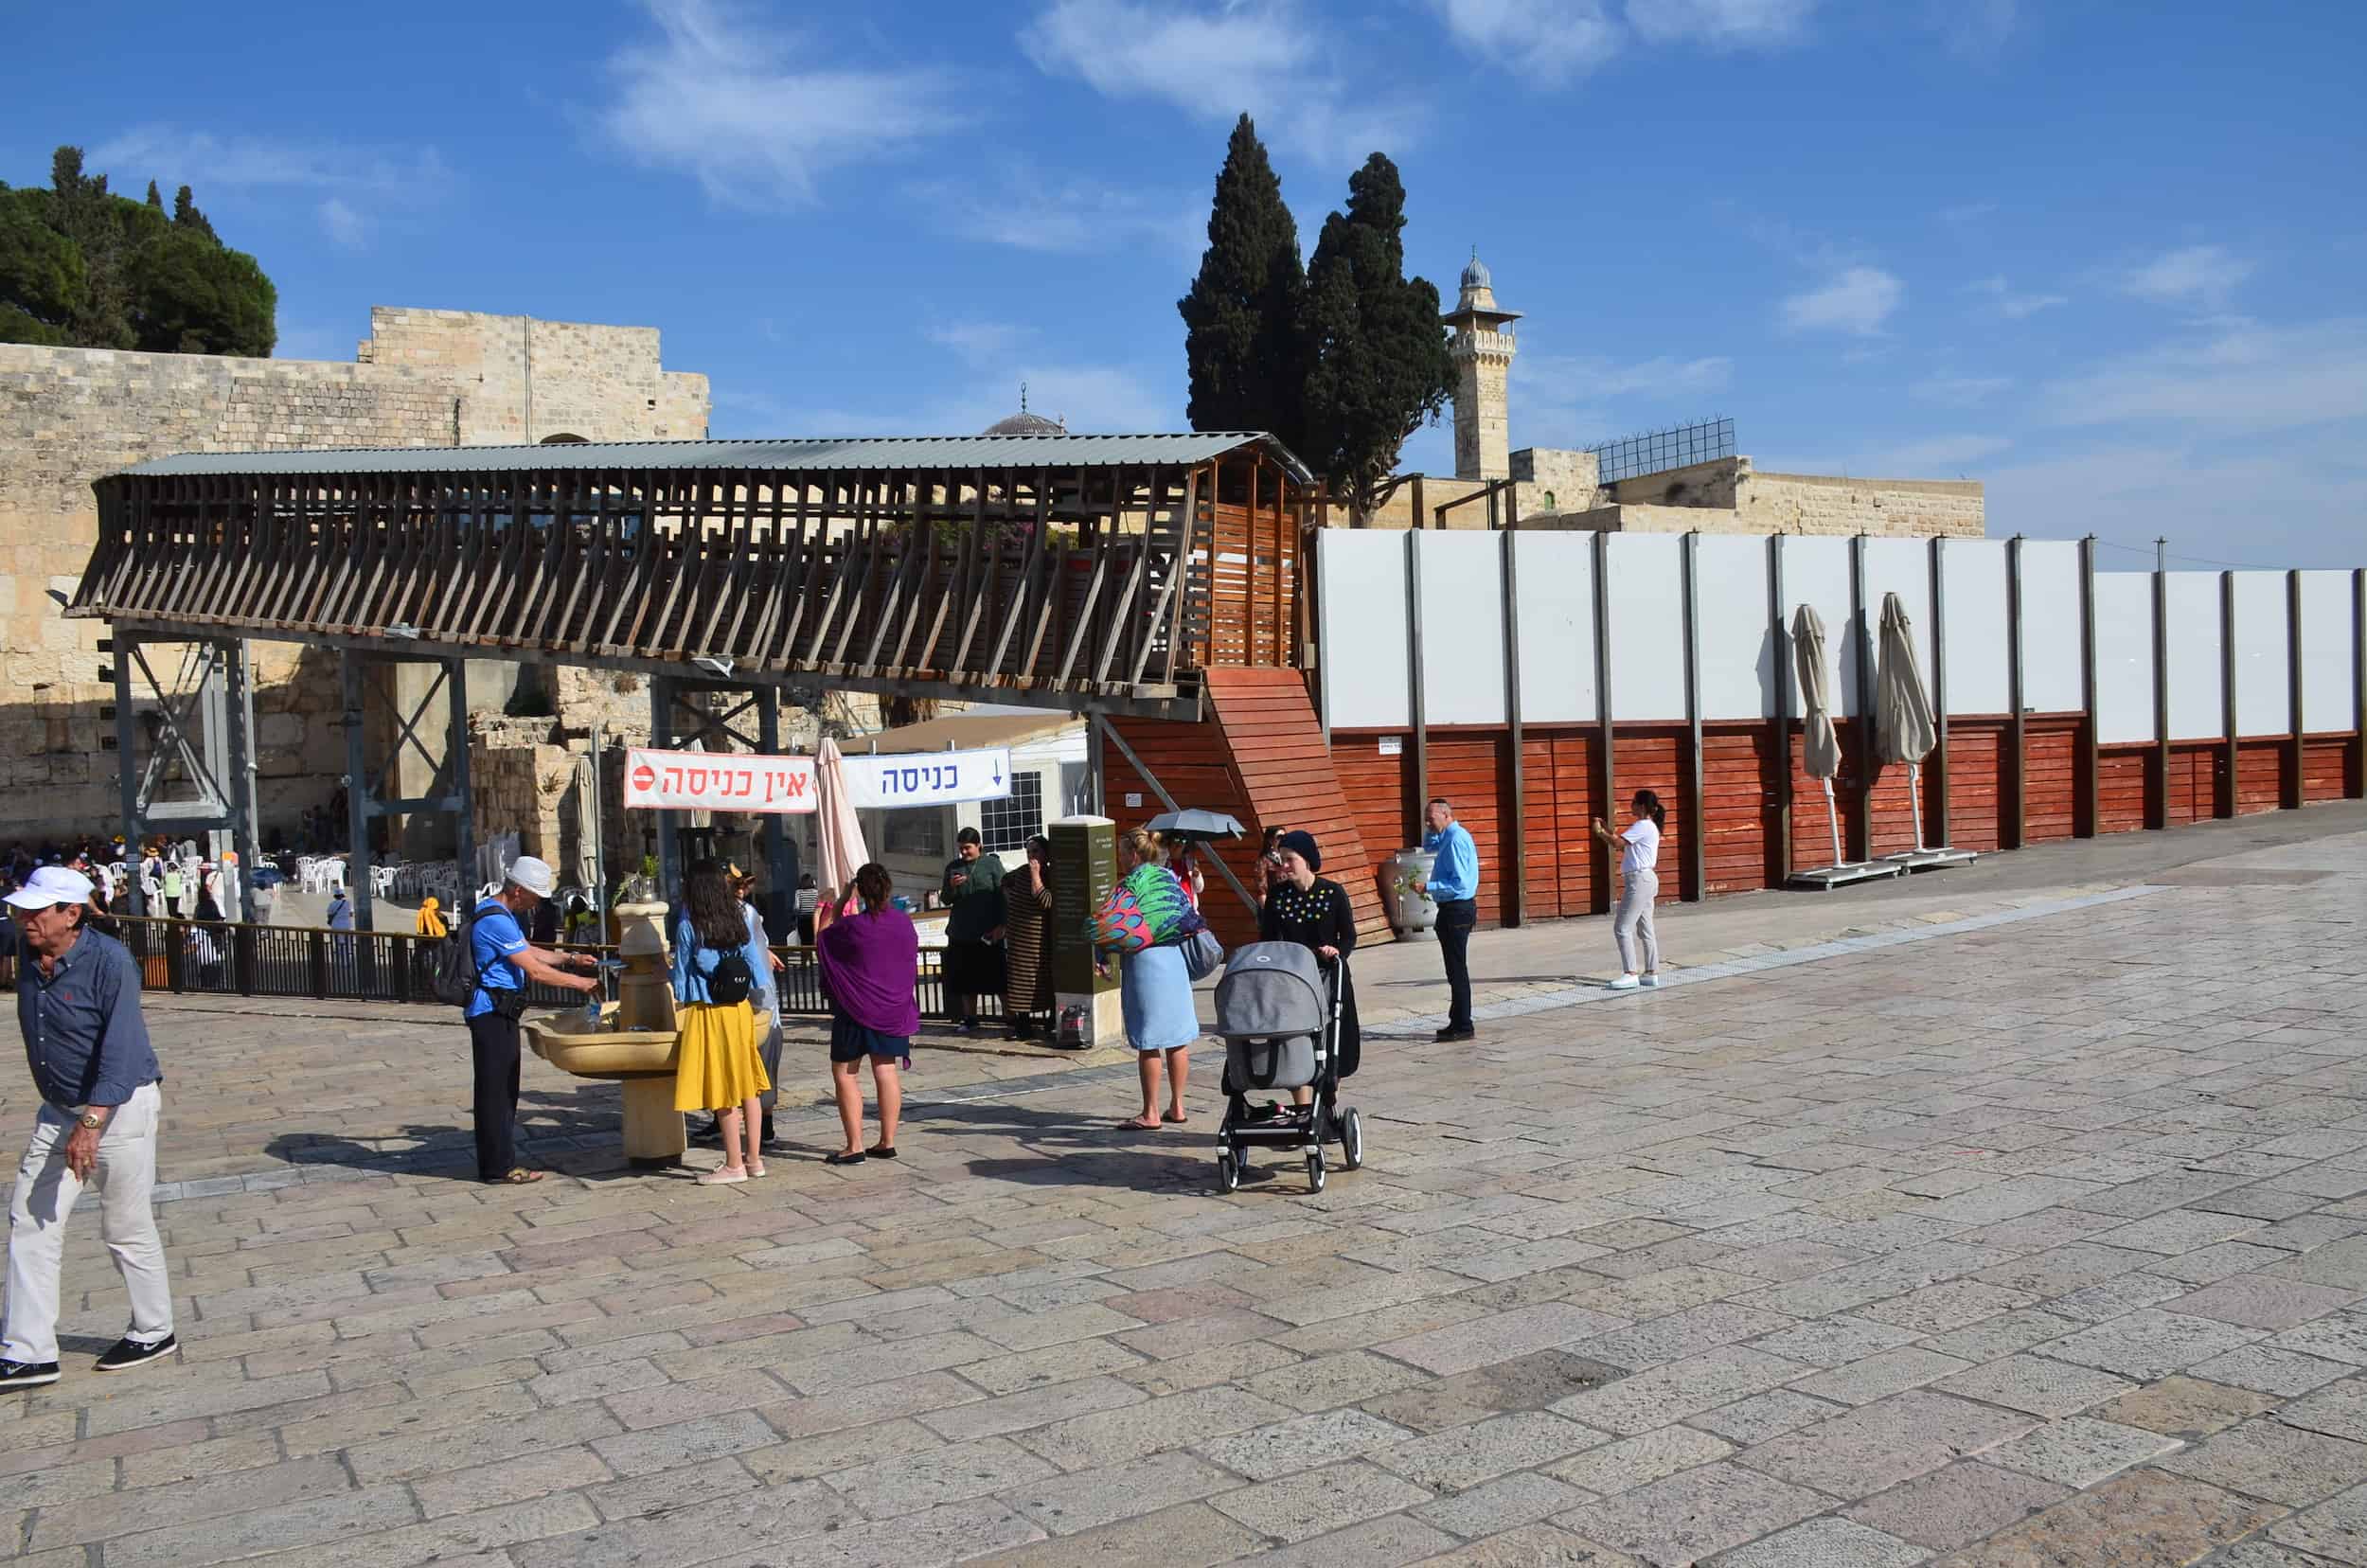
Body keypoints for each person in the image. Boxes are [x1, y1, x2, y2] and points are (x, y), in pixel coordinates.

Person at [1, 866, 175, 1386]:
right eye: (21, 910)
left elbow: (119, 1056)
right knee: (30, 1217)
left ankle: (154, 1329)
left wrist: (91, 1125)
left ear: (71, 914)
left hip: (119, 1109)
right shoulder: (32, 954)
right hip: (58, 1110)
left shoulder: (110, 963)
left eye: (37, 910)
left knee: (123, 1224)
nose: (24, 918)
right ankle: (29, 1350)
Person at [464, 857, 599, 1185]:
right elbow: (534, 969)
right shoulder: (496, 920)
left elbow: (528, 950)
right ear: (517, 890)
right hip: (491, 1014)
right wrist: (581, 984)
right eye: (534, 895)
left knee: (504, 1089)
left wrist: (570, 958)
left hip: (501, 1012)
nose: (537, 902)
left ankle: (499, 1161)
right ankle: (498, 1168)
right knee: (496, 1094)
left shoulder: (500, 914)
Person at [670, 860, 774, 1185]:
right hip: (740, 1008)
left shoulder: (689, 924)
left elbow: (683, 977)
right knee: (747, 1085)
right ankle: (754, 1160)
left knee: (723, 1086)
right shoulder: (737, 916)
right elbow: (756, 966)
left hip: (710, 1011)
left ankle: (733, 1165)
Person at [814, 862, 916, 1164]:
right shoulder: (903, 923)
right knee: (885, 1070)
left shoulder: (851, 927)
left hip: (854, 1009)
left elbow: (822, 935)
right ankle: (887, 1140)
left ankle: (854, 1145)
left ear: (860, 889)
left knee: (845, 1073)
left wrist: (842, 899)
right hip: (892, 1009)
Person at [1255, 830, 1361, 1118]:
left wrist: (1336, 950)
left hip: (1329, 976)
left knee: (1331, 1040)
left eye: (1290, 860)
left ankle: (1327, 1105)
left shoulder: (1333, 893)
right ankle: (1304, 1110)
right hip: (1293, 980)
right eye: (1282, 860)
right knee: (1296, 1041)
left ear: (1307, 860)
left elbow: (1349, 937)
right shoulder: (1278, 896)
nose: (1284, 866)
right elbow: (1268, 939)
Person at [1101, 827, 1200, 1130]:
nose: (1119, 859)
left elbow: (1108, 926)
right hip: (1174, 960)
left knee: (1150, 1040)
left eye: (1121, 853)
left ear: (1133, 855)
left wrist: (1103, 958)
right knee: (1178, 1038)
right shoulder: (1169, 878)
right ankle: (1178, 1106)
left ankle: (1151, 1112)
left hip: (1145, 963)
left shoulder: (1129, 885)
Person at [1414, 797, 1481, 1042]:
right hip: (1452, 910)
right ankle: (1458, 1020)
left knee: (1457, 970)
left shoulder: (1455, 840)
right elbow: (1429, 846)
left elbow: (1459, 883)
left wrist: (1428, 887)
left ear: (1446, 814)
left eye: (1431, 818)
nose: (1428, 822)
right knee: (1454, 970)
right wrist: (1431, 830)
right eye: (1426, 819)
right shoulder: (1447, 836)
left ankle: (1464, 1024)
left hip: (1457, 909)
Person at [1593, 790, 1666, 990]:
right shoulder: (1648, 827)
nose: (1631, 805)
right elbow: (1626, 847)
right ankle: (1651, 973)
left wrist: (1600, 833)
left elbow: (1617, 844)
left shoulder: (1642, 825)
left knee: (1622, 928)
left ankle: (1630, 973)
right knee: (1645, 928)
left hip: (1639, 881)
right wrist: (1608, 830)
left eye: (1634, 802)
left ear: (1642, 807)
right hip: (1646, 879)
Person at [939, 828, 1005, 1033]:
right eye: (961, 849)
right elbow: (946, 899)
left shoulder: (992, 865)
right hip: (961, 931)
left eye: (967, 848)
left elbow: (1003, 896)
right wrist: (951, 886)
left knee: (998, 976)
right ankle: (970, 1017)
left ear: (979, 846)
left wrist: (1003, 925)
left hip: (987, 932)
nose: (964, 853)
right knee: (965, 979)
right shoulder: (953, 867)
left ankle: (1011, 1017)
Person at [1001, 836, 1055, 1040]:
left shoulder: (1050, 875)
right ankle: (1022, 1025)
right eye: (1029, 851)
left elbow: (1046, 901)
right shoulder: (1020, 872)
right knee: (1018, 980)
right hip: (1018, 936)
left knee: (1042, 979)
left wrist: (1036, 875)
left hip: (1039, 938)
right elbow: (1004, 881)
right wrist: (1010, 899)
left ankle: (1050, 1022)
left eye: (1035, 851)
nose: (1031, 856)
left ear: (1045, 854)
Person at [794, 872, 820, 946]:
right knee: (813, 940)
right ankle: (813, 957)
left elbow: (796, 907)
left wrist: (795, 916)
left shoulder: (798, 892)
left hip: (802, 920)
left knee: (804, 941)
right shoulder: (816, 892)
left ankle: (805, 957)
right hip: (814, 919)